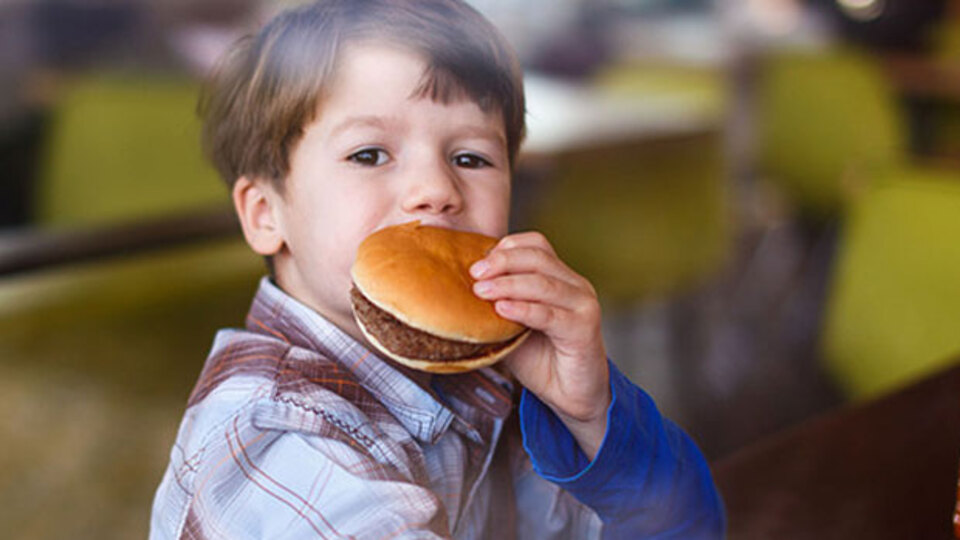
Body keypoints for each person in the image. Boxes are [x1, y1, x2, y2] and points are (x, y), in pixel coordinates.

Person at [150, 1, 725, 538]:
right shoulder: (278, 439)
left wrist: (593, 415)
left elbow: (691, 525)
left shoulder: (489, 377)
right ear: (265, 214)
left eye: (470, 158)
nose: (436, 190)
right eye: (369, 154)